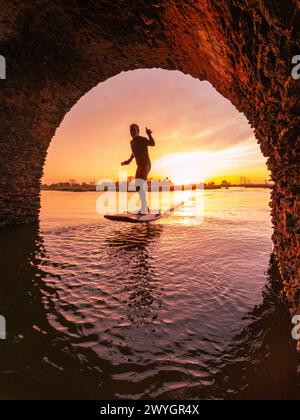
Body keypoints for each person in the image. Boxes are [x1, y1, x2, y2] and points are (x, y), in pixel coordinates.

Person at [121, 124, 155, 214]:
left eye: (134, 130)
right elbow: (133, 152)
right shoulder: (131, 142)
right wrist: (128, 161)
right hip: (139, 166)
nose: (132, 132)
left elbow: (153, 144)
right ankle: (145, 206)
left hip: (146, 165)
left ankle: (144, 208)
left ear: (138, 131)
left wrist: (149, 134)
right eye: (131, 131)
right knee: (137, 187)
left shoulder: (143, 139)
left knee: (140, 184)